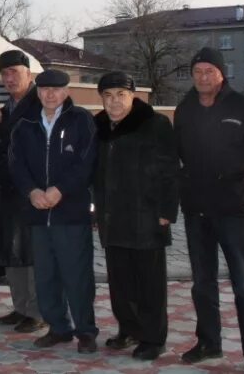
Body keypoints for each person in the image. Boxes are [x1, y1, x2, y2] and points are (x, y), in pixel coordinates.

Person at [175, 48, 244, 374]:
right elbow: (178, 154)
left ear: (221, 74)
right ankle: (209, 342)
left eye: (209, 71)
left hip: (233, 211)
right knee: (202, 283)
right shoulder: (185, 108)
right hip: (197, 211)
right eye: (198, 71)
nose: (203, 77)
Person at [9, 69, 98, 354]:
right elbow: (16, 164)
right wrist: (32, 192)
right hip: (38, 213)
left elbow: (86, 162)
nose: (50, 94)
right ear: (38, 91)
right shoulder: (25, 124)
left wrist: (60, 189)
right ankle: (58, 327)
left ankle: (85, 331)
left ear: (66, 92)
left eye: (56, 89)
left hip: (70, 213)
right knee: (45, 276)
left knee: (76, 275)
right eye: (45, 89)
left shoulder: (81, 120)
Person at [93, 71, 179, 361]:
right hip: (112, 217)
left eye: (121, 94)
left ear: (133, 96)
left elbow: (170, 170)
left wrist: (167, 211)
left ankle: (154, 338)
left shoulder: (154, 124)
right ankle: (128, 329)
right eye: (108, 95)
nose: (114, 101)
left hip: (147, 216)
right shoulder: (99, 126)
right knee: (120, 281)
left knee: (150, 283)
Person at [0, 50, 45, 333]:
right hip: (10, 189)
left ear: (29, 74)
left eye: (15, 72)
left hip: (33, 190)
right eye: (5, 73)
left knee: (33, 253)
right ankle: (21, 306)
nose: (10, 78)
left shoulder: (41, 103)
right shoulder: (8, 107)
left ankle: (38, 311)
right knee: (13, 250)